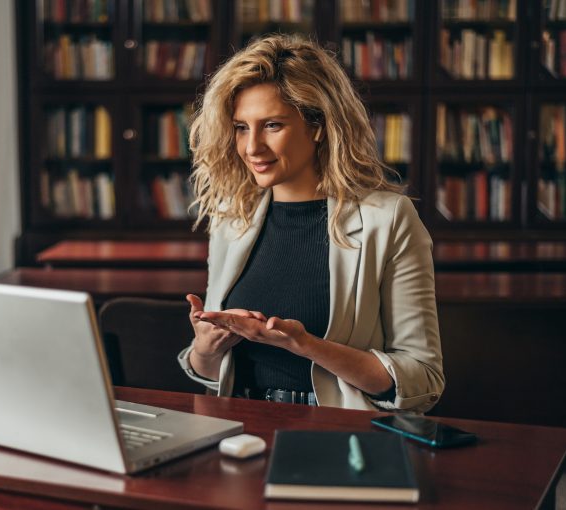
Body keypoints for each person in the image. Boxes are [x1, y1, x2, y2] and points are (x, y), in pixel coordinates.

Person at [177, 34, 444, 413]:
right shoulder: (230, 217)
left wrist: (305, 345)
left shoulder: (389, 220)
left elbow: (424, 378)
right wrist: (206, 347)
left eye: (271, 125)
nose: (252, 147)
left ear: (317, 126)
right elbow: (208, 372)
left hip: (336, 433)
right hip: (238, 428)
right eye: (240, 127)